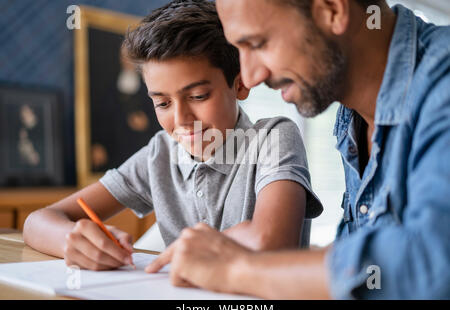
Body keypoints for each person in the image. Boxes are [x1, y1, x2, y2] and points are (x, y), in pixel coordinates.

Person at [147, 0, 450, 299]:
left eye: (258, 43)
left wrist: (238, 269)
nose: (250, 77)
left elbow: (427, 264)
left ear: (332, 9)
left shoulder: (442, 82)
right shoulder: (352, 115)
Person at [23, 0, 322, 271]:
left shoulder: (274, 139)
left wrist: (197, 246)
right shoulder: (160, 153)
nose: (181, 120)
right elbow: (36, 222)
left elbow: (272, 242)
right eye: (163, 103)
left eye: (199, 96)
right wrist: (72, 240)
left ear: (240, 84)